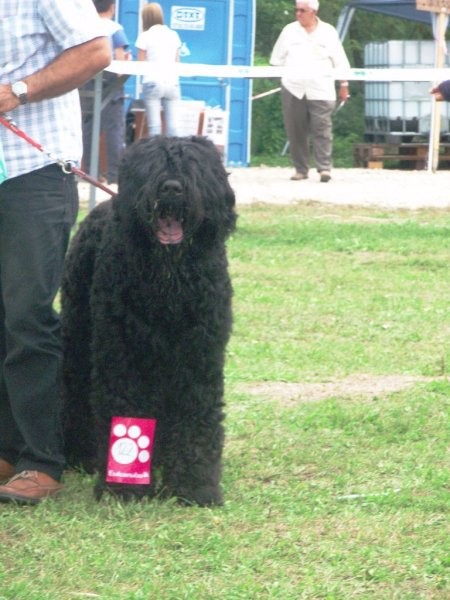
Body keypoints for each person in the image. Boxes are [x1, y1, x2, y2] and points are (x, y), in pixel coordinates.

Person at [0, 0, 111, 504]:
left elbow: (95, 50)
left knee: (27, 316)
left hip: (34, 171)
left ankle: (41, 459)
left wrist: (16, 91)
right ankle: (7, 449)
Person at [270, 0, 351, 182]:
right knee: (296, 131)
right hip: (293, 88)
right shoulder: (288, 31)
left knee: (322, 129)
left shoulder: (328, 32)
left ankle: (324, 169)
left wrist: (344, 84)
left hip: (321, 88)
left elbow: (340, 61)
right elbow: (276, 60)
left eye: (302, 10)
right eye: (296, 10)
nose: (298, 14)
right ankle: (301, 169)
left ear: (313, 12)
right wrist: (282, 79)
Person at [81, 0, 130, 185]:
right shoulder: (114, 28)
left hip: (87, 78)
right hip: (110, 80)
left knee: (88, 127)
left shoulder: (85, 25)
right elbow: (119, 57)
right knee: (113, 129)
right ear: (112, 7)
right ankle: (114, 175)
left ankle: (88, 172)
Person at [135, 2, 182, 136]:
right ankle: (175, 155)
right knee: (173, 127)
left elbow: (140, 64)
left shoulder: (145, 36)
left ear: (145, 18)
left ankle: (155, 156)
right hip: (172, 82)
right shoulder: (173, 35)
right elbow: (177, 61)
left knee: (154, 127)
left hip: (152, 81)